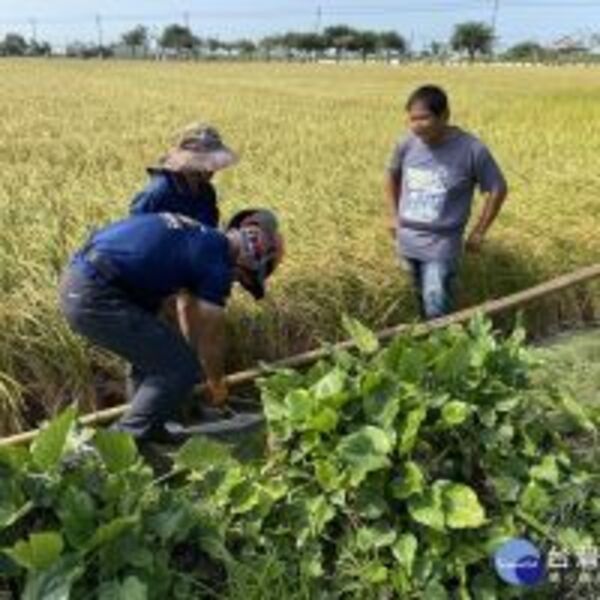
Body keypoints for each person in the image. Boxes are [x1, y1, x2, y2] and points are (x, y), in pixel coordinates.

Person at [59, 209, 283, 443]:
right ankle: (115, 445)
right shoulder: (216, 263)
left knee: (158, 359)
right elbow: (211, 338)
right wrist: (216, 384)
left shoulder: (202, 237)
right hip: (95, 294)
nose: (233, 282)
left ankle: (151, 433)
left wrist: (188, 358)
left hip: (84, 280)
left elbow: (185, 309)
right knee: (178, 368)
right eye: (239, 279)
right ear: (242, 263)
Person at [385, 84, 508, 319]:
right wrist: (392, 215)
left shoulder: (471, 149)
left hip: (441, 244)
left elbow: (497, 188)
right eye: (412, 119)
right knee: (412, 308)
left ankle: (443, 351)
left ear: (444, 115)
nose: (416, 126)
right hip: (406, 240)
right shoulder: (406, 144)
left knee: (436, 310)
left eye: (424, 118)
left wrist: (479, 231)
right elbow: (391, 174)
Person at [129, 123, 238, 226]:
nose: (211, 169)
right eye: (203, 162)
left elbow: (210, 229)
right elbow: (135, 230)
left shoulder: (207, 192)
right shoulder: (158, 192)